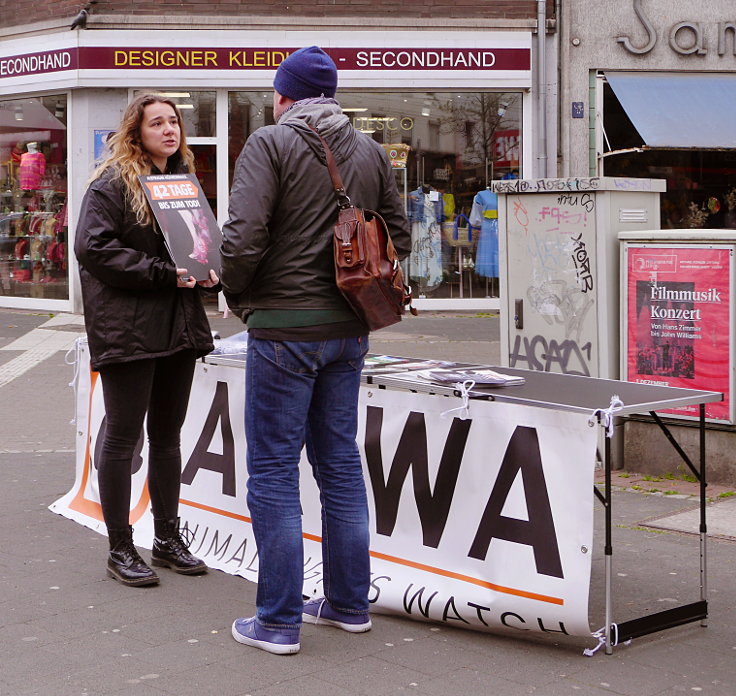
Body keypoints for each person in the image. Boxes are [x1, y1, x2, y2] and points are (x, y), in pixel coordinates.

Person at [220, 46, 411, 655]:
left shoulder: (270, 144)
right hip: (349, 328)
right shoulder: (371, 150)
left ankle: (277, 621)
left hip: (283, 329)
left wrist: (238, 290)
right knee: (340, 464)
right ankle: (350, 604)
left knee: (274, 471)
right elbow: (399, 234)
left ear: (284, 96)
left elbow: (244, 236)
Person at [74, 94, 220, 587]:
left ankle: (166, 538)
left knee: (168, 436)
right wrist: (163, 273)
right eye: (156, 122)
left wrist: (209, 275)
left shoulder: (184, 184)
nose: (169, 129)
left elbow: (200, 249)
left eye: (174, 121)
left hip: (178, 328)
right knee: (121, 436)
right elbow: (92, 248)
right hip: (129, 329)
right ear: (135, 132)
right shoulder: (111, 183)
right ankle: (120, 546)